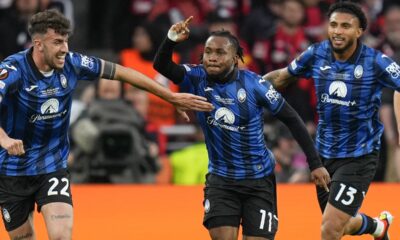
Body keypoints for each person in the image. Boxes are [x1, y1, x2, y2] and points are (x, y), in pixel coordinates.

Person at [0, 9, 213, 240]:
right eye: (57, 42)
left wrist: (169, 96)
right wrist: (5, 139)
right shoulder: (13, 70)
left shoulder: (72, 62)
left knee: (61, 235)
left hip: (52, 166)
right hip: (12, 170)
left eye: (66, 41)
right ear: (38, 44)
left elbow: (122, 73)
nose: (65, 49)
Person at [154, 16, 330, 240]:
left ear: (236, 58)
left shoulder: (256, 85)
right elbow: (162, 66)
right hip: (221, 180)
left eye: (220, 52)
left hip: (258, 180)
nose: (213, 58)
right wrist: (171, 40)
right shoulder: (197, 76)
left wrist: (315, 163)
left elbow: (291, 118)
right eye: (208, 52)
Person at [262, 2, 397, 240]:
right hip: (323, 155)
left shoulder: (376, 62)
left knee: (330, 228)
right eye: (333, 25)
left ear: (359, 31)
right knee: (340, 225)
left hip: (359, 156)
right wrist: (246, 84)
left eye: (346, 26)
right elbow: (282, 77)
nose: (337, 31)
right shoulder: (316, 53)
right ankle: (377, 227)